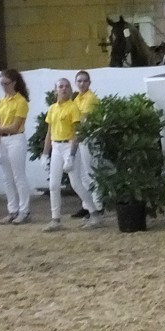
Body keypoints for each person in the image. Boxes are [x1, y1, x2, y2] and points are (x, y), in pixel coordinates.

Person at [41, 78, 103, 232]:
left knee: (76, 183)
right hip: (56, 146)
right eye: (60, 87)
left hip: (69, 145)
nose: (64, 89)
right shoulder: (52, 109)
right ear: (56, 90)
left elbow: (77, 132)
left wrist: (72, 155)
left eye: (67, 86)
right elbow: (49, 132)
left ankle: (94, 213)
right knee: (53, 185)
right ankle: (55, 218)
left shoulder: (73, 108)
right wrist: (45, 153)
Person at [0, 69, 31, 224]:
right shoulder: (0, 102)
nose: (4, 86)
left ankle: (24, 211)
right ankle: (12, 210)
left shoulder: (21, 101)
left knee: (18, 176)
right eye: (1, 84)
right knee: (7, 178)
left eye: (6, 83)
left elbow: (14, 127)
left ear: (14, 83)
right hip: (3, 141)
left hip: (16, 140)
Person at [70, 70, 104, 224]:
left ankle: (98, 205)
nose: (82, 83)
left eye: (84, 81)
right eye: (79, 81)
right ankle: (87, 205)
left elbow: (82, 120)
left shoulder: (90, 99)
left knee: (91, 172)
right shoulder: (77, 98)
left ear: (89, 83)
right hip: (80, 138)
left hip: (88, 137)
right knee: (84, 174)